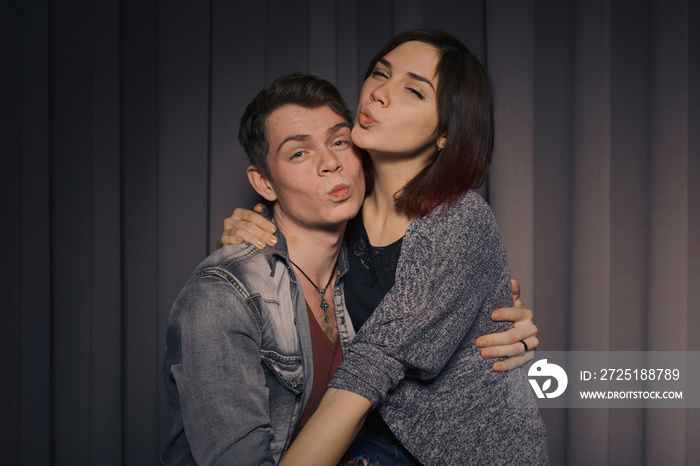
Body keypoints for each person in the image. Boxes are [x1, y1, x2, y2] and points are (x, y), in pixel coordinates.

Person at [275, 29, 549, 464]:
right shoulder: (338, 214)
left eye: (413, 91)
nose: (380, 93)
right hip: (374, 441)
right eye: (380, 74)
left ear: (445, 133)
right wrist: (251, 227)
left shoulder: (461, 221)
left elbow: (370, 366)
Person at [161, 74, 365, 465]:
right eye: (299, 154)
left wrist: (522, 346)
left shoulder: (372, 270)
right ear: (265, 183)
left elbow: (511, 392)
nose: (331, 163)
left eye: (340, 141)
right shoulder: (221, 295)